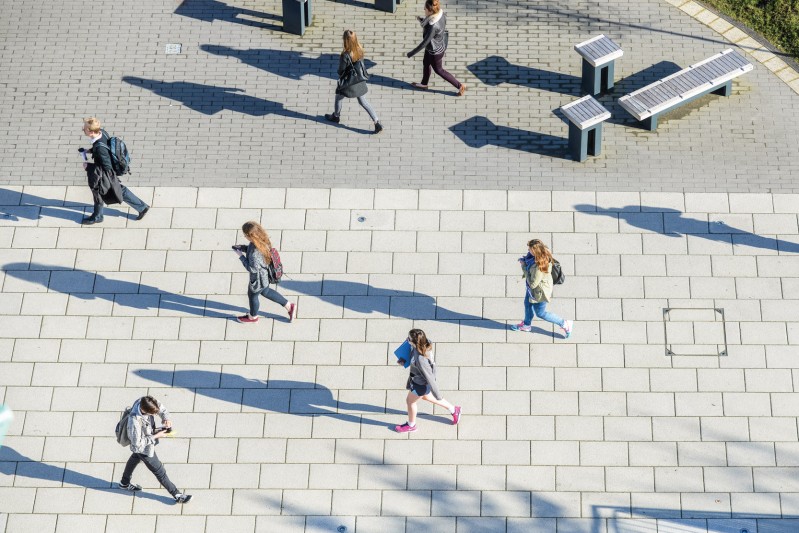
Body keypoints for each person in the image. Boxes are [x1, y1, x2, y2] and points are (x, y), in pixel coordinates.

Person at [119, 395, 192, 503]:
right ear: (144, 410)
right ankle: (177, 494)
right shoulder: (134, 422)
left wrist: (166, 418)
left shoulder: (144, 401)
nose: (154, 415)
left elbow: (161, 409)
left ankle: (124, 483)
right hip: (145, 449)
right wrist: (156, 436)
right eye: (152, 414)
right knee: (159, 471)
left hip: (145, 441)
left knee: (135, 457)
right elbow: (137, 445)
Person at [80, 117, 149, 225]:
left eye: (84, 128)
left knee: (99, 192)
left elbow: (106, 166)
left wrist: (88, 167)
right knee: (118, 189)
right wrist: (89, 150)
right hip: (108, 172)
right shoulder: (101, 132)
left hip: (106, 174)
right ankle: (142, 207)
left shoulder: (99, 148)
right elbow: (102, 146)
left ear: (91, 131)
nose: (82, 129)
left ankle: (97, 216)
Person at [395, 329, 461, 433]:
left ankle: (411, 425)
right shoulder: (424, 343)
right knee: (426, 396)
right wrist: (405, 361)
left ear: (415, 342)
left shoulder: (421, 360)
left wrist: (438, 395)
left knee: (410, 402)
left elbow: (430, 377)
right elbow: (413, 357)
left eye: (409, 339)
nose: (407, 340)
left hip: (420, 385)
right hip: (420, 384)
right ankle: (454, 409)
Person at [235, 221, 297, 323]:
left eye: (245, 235)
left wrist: (240, 256)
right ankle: (289, 306)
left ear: (251, 236)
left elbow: (252, 268)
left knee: (252, 296)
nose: (245, 237)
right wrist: (242, 248)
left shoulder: (255, 254)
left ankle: (252, 317)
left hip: (258, 280)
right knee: (266, 291)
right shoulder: (263, 241)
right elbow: (252, 250)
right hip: (265, 275)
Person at [324, 30, 384, 134]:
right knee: (363, 102)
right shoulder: (360, 49)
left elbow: (341, 70)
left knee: (338, 97)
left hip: (348, 82)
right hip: (359, 80)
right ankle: (377, 122)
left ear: (345, 41)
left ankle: (336, 116)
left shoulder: (345, 55)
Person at [511, 239, 573, 338]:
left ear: (536, 251)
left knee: (540, 313)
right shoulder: (537, 255)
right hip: (533, 290)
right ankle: (526, 325)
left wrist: (523, 267)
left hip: (539, 293)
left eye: (530, 249)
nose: (528, 250)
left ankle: (564, 323)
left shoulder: (538, 266)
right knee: (527, 304)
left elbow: (533, 284)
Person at [406, 0, 465, 96]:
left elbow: (425, 42)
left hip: (435, 51)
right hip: (437, 45)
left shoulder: (432, 26)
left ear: (430, 11)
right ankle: (424, 84)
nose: (424, 9)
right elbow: (434, 25)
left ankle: (459, 86)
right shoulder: (441, 14)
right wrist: (422, 20)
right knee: (426, 62)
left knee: (439, 70)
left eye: (425, 8)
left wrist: (411, 53)